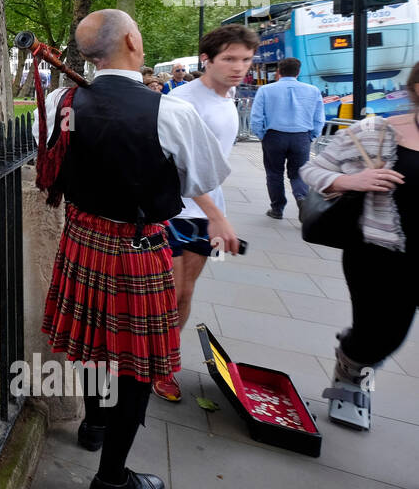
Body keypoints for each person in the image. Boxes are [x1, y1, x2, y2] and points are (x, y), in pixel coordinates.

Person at [33, 9, 232, 489]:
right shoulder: (170, 112)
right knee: (135, 366)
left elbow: (51, 155)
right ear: (131, 40)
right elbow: (201, 180)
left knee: (96, 343)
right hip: (136, 247)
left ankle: (95, 423)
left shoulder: (62, 98)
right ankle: (112, 480)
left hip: (82, 239)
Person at [299, 62, 418, 430]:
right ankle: (351, 376)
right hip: (379, 255)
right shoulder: (376, 132)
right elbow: (312, 170)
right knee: (379, 337)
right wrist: (351, 181)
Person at [155, 25, 256, 401]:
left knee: (185, 293)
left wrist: (215, 213)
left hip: (207, 214)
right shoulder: (183, 101)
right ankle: (156, 364)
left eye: (245, 59)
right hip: (175, 212)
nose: (239, 67)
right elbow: (177, 168)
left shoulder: (228, 98)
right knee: (172, 292)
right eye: (229, 58)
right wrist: (217, 215)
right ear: (206, 60)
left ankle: (163, 359)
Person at [250, 57, 326, 219]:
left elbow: (256, 117)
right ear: (298, 72)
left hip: (274, 136)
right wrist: (312, 135)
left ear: (278, 72)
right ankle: (301, 198)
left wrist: (262, 135)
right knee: (298, 173)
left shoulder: (265, 90)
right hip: (301, 137)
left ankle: (277, 209)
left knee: (274, 173)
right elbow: (319, 118)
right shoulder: (313, 90)